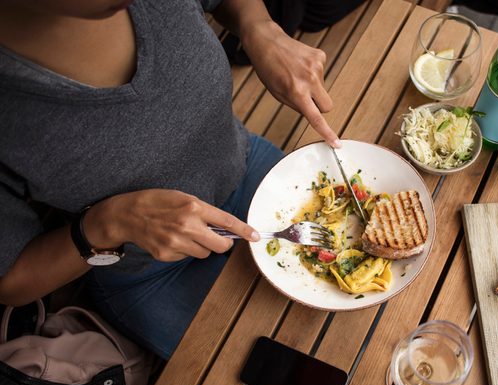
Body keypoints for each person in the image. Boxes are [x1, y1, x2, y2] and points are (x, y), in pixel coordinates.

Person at [0, 0, 341, 360]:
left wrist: (259, 26)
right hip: (153, 275)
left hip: (250, 174)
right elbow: (10, 281)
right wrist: (108, 223)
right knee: (291, 367)